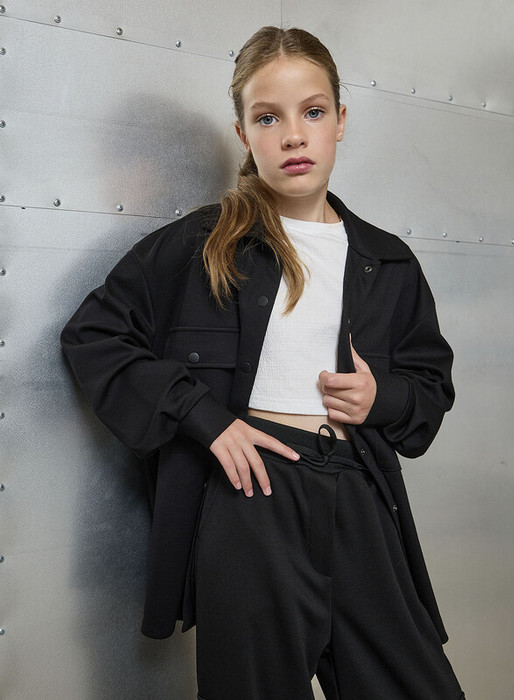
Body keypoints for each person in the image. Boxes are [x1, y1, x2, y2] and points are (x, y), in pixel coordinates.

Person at [61, 25, 465, 700]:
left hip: (361, 499)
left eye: (313, 112)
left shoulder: (389, 261)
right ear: (244, 134)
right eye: (268, 117)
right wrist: (204, 418)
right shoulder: (202, 242)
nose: (293, 136)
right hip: (251, 502)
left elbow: (429, 390)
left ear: (341, 121)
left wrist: (382, 400)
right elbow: (93, 334)